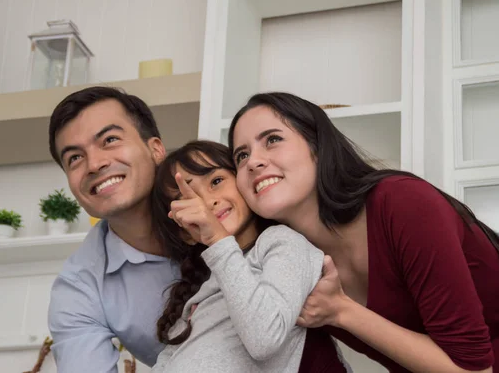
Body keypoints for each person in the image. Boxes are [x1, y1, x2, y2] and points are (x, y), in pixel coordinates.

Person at [228, 92, 499, 373]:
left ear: (318, 147)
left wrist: (341, 312)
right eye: (241, 156)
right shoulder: (291, 263)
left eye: (272, 139)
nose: (253, 161)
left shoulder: (401, 202)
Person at [45, 87, 347, 372]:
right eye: (74, 158)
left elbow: (270, 335)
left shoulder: (274, 232)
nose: (95, 163)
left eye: (109, 139)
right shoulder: (80, 289)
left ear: (156, 149)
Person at [150, 140, 350, 372]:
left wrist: (218, 240)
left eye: (216, 181)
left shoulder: (282, 242)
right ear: (185, 233)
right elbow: (169, 358)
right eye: (188, 200)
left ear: (245, 182)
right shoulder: (205, 285)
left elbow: (264, 339)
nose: (207, 202)